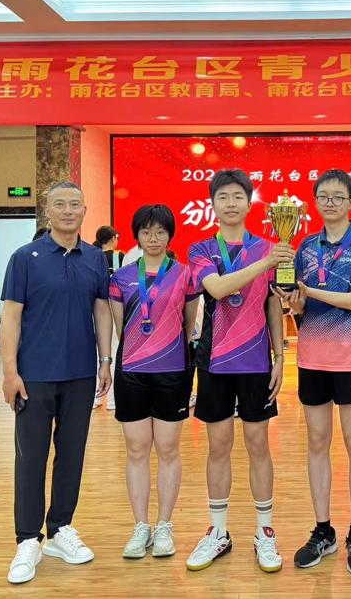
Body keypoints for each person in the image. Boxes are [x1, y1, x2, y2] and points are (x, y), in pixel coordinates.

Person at [0, 181, 113, 585]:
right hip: (34, 376)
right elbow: (11, 317)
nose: (67, 211)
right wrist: (9, 372)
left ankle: (60, 528)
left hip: (80, 374)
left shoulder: (95, 259)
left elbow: (101, 310)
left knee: (71, 454)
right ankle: (28, 539)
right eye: (59, 205)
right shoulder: (24, 257)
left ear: (85, 211)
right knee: (31, 457)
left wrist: (105, 360)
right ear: (47, 211)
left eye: (74, 205)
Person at [185, 169, 293, 573]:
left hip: (255, 362)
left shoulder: (268, 247)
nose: (231, 203)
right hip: (214, 361)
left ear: (250, 203)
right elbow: (216, 288)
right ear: (212, 204)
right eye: (223, 197)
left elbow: (272, 303)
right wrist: (266, 262)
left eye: (237, 197)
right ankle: (218, 532)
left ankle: (265, 532)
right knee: (218, 447)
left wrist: (280, 356)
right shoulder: (201, 248)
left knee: (258, 444)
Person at [286, 170, 351, 576]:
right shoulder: (305, 246)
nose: (330, 202)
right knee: (316, 442)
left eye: (338, 196)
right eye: (323, 196)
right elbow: (299, 306)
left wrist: (308, 292)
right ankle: (323, 530)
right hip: (311, 356)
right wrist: (293, 301)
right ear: (315, 201)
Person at [109, 205, 200, 560]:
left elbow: (188, 323)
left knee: (168, 449)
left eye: (160, 231)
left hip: (172, 372)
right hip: (132, 372)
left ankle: (164, 525)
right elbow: (121, 328)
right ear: (137, 235)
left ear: (170, 235)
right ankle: (140, 526)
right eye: (146, 232)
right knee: (136, 450)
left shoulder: (185, 275)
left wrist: (166, 348)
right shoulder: (121, 278)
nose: (153, 238)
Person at [93, 224, 124, 410]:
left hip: (94, 309)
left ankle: (95, 399)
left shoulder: (92, 256)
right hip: (114, 309)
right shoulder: (121, 257)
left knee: (96, 353)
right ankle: (112, 401)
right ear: (113, 238)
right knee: (113, 352)